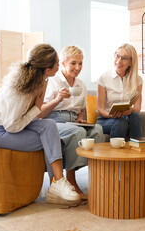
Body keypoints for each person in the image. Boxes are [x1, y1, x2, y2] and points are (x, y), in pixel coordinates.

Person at [0, 44, 80, 205]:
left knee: (49, 126)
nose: (58, 64)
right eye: (56, 62)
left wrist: (37, 107)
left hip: (11, 124)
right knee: (51, 139)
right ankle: (57, 186)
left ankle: (57, 183)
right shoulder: (21, 91)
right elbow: (11, 127)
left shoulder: (38, 80)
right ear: (47, 69)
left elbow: (26, 118)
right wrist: (37, 107)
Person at [39, 45, 105, 200]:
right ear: (63, 63)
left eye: (80, 63)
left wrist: (80, 118)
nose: (78, 67)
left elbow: (81, 108)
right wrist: (58, 99)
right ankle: (71, 180)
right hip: (53, 120)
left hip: (73, 121)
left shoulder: (81, 84)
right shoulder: (53, 82)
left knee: (97, 130)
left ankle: (99, 177)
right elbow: (41, 111)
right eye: (73, 63)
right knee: (78, 132)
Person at [96, 43, 143, 139]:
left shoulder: (137, 80)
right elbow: (101, 109)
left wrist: (129, 111)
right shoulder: (104, 78)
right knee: (120, 123)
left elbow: (137, 108)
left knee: (135, 116)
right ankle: (115, 153)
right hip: (105, 119)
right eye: (117, 56)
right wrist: (111, 115)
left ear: (131, 62)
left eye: (124, 58)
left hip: (126, 116)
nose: (119, 61)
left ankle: (137, 150)